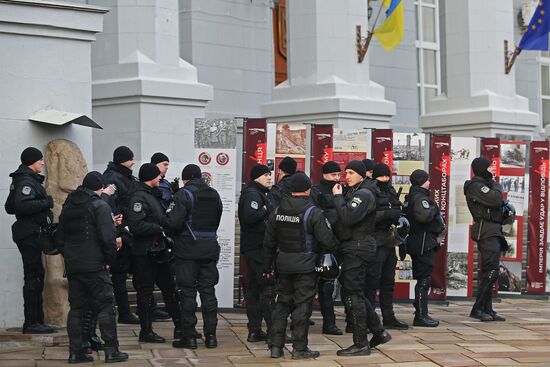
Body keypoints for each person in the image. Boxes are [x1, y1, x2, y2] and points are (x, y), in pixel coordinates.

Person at [264, 172, 337, 359]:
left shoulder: (278, 211)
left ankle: (276, 347)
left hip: (283, 264)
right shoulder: (313, 212)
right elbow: (328, 241)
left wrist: (267, 266)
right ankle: (299, 348)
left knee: (282, 304)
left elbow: (269, 242)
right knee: (302, 306)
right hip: (305, 266)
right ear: (307, 189)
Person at [57, 172, 128, 364]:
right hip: (95, 265)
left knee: (77, 309)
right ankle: (112, 351)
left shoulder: (69, 205)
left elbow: (60, 238)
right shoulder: (99, 205)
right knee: (105, 306)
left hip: (74, 265)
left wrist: (71, 257)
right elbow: (107, 239)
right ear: (100, 187)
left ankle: (75, 352)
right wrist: (108, 260)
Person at [332, 161, 391, 356]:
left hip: (358, 247)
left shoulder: (363, 194)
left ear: (361, 175)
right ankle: (379, 332)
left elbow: (348, 217)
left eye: (351, 172)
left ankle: (361, 343)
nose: (346, 176)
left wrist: (338, 198)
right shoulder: (359, 191)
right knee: (355, 291)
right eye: (346, 172)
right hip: (355, 246)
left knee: (352, 294)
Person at [163, 164, 223, 349]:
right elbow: (217, 218)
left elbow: (172, 222)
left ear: (185, 179)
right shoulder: (214, 194)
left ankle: (189, 337)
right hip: (210, 248)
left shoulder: (184, 194)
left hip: (187, 250)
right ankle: (211, 336)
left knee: (187, 292)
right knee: (208, 292)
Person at [126, 163, 181, 343]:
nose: (161, 177)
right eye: (158, 175)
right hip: (146, 253)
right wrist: (159, 227)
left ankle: (181, 327)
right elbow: (136, 225)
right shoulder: (139, 197)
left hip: (159, 251)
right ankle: (146, 331)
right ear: (150, 176)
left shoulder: (152, 195)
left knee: (170, 289)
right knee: (145, 292)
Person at [6, 147, 55, 334]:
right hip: (30, 234)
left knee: (36, 275)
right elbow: (21, 206)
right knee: (34, 276)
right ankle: (32, 322)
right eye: (40, 160)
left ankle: (37, 320)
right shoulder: (26, 180)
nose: (42, 163)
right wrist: (47, 203)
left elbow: (9, 207)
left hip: (29, 233)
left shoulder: (21, 179)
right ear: (31, 162)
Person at [364, 163, 408, 330]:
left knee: (388, 283)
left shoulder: (390, 191)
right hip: (375, 242)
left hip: (390, 242)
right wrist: (386, 214)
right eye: (382, 177)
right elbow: (367, 217)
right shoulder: (369, 191)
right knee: (372, 282)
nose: (385, 179)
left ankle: (389, 317)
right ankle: (370, 320)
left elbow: (397, 210)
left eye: (387, 177)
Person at [464, 157, 507, 322]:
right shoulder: (476, 186)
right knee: (492, 270)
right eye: (490, 167)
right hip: (486, 231)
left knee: (490, 270)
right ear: (483, 168)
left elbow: (497, 204)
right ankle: (477, 309)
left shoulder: (485, 185)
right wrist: (496, 184)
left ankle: (487, 308)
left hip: (493, 230)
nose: (493, 170)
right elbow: (496, 200)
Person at [102, 146, 140, 324]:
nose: (133, 162)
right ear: (123, 160)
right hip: (121, 231)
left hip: (128, 230)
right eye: (131, 158)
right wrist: (117, 231)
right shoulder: (112, 178)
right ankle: (123, 312)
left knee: (123, 272)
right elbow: (110, 207)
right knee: (119, 274)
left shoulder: (124, 176)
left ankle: (125, 311)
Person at [403, 169, 445, 327]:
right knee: (424, 279)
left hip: (417, 242)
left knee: (423, 278)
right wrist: (435, 209)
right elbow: (424, 216)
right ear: (421, 181)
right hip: (422, 243)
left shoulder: (411, 197)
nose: (429, 182)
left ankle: (421, 312)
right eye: (427, 180)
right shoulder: (421, 198)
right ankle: (421, 315)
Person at [238, 164, 274, 342]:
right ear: (257, 177)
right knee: (266, 288)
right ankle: (274, 331)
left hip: (252, 247)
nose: (270, 178)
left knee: (253, 290)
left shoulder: (257, 193)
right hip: (257, 248)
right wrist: (267, 209)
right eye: (267, 175)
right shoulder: (253, 194)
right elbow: (250, 216)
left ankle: (255, 330)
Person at [310, 161, 343, 336]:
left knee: (329, 286)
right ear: (324, 174)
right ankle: (305, 318)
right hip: (321, 244)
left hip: (338, 241)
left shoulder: (341, 189)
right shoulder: (316, 191)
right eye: (333, 175)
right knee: (319, 285)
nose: (337, 178)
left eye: (339, 175)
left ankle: (330, 323)